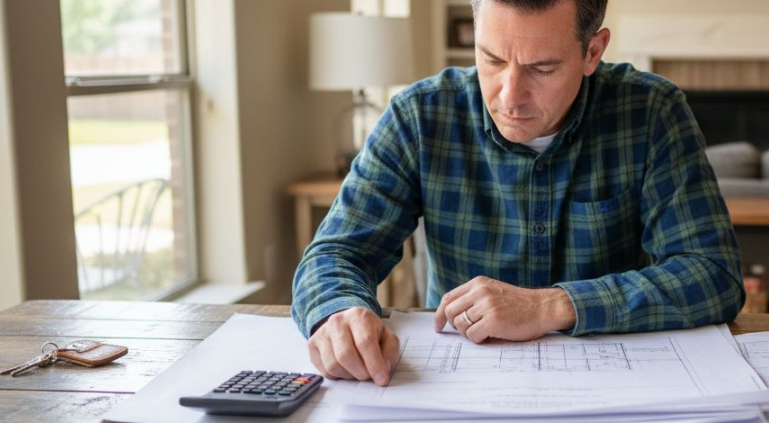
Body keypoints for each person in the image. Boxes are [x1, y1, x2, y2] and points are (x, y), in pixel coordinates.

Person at [291, 0, 743, 387]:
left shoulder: (651, 113)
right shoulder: (420, 116)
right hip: (455, 386)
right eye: (491, 59)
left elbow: (712, 275)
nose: (510, 96)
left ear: (593, 51)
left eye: (541, 68)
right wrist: (339, 311)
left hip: (617, 381)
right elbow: (335, 254)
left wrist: (553, 305)